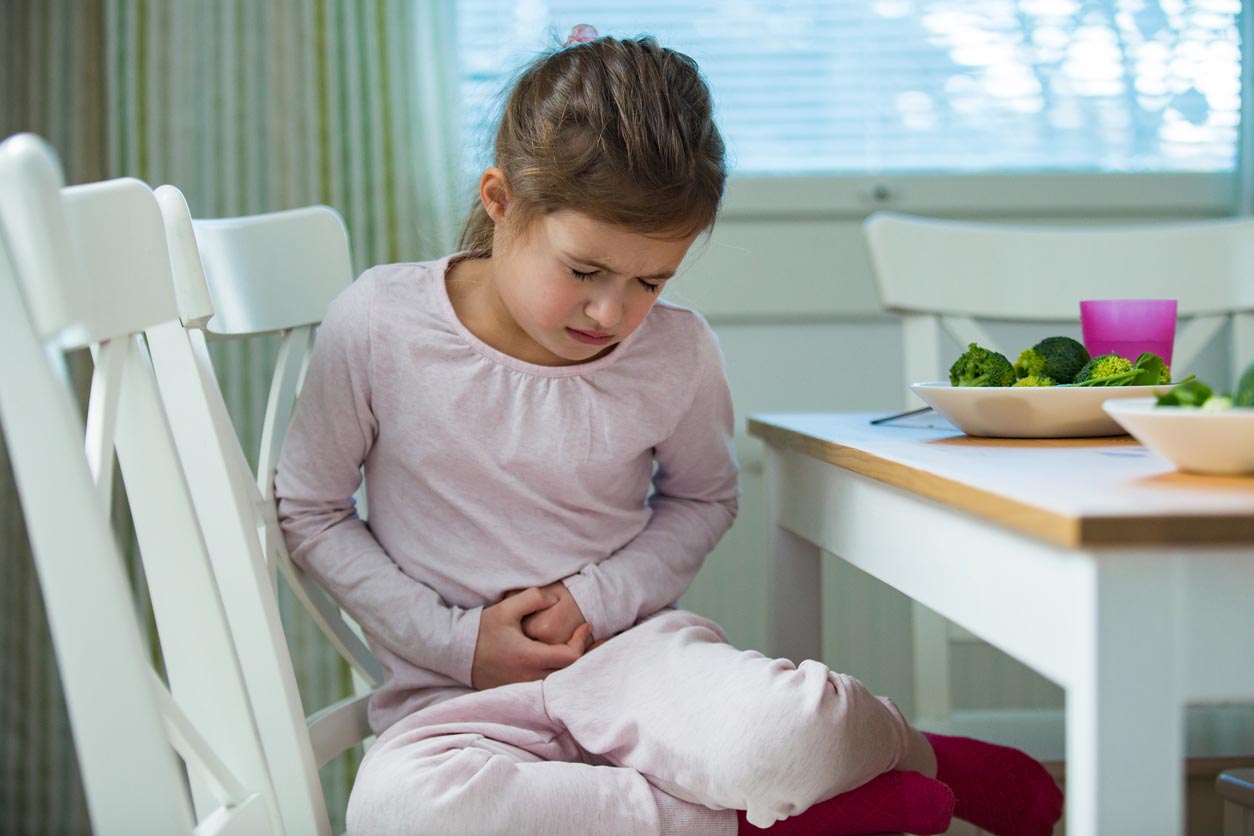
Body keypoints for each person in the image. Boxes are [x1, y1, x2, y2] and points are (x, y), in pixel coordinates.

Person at [275, 26, 1063, 836]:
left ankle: (911, 751)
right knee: (394, 811)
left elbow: (703, 498)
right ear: (500, 200)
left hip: (636, 664)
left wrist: (595, 597)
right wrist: (458, 642)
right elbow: (310, 509)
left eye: (650, 280)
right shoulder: (379, 323)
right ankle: (756, 823)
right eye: (584, 271)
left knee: (791, 731)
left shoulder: (677, 351)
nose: (611, 312)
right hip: (455, 700)